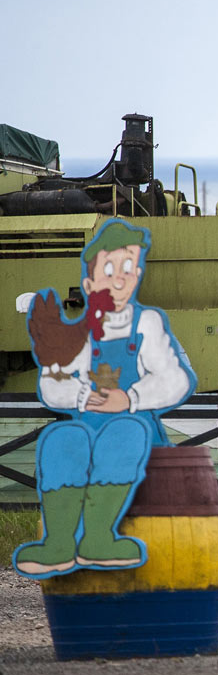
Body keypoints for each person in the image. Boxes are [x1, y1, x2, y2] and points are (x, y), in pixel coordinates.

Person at [12, 219, 197, 578]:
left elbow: (176, 378)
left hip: (141, 440)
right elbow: (52, 385)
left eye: (127, 268)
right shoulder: (81, 334)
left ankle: (99, 536)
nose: (117, 278)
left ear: (137, 273)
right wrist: (84, 396)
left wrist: (129, 398)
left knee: (123, 435)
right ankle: (60, 543)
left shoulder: (148, 326)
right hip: (90, 427)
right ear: (89, 281)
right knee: (63, 439)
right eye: (108, 269)